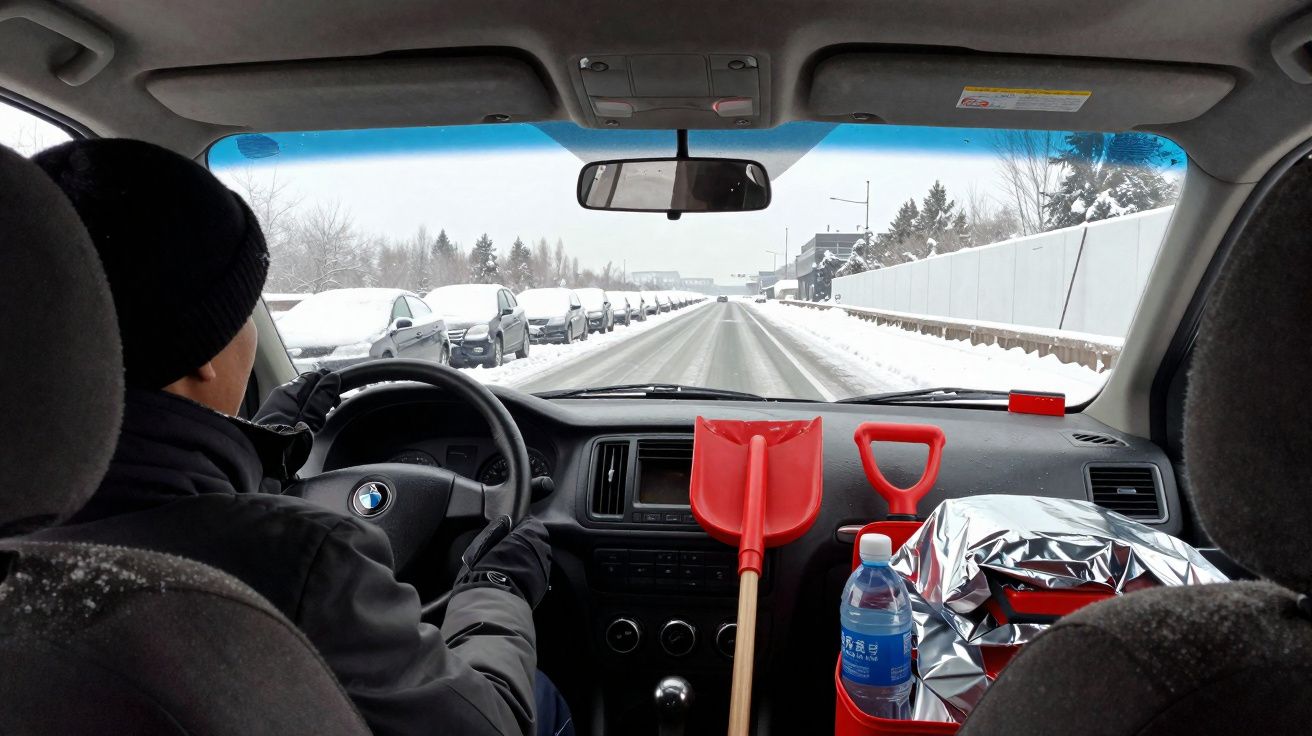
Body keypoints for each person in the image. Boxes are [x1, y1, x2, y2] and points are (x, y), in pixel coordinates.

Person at [29, 138, 571, 736]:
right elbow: (488, 725)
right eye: (244, 313)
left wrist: (262, 448)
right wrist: (495, 587)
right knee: (540, 697)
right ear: (207, 353)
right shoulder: (300, 563)